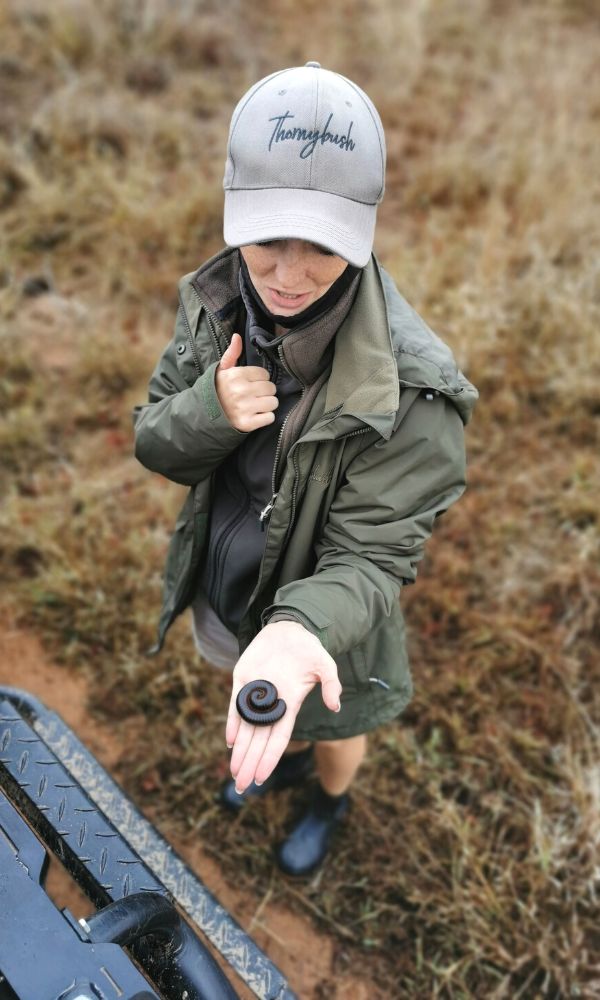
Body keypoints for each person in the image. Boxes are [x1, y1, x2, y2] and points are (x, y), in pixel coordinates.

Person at [133, 62, 478, 876]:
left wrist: (298, 633)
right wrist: (209, 412)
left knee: (330, 727)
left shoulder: (413, 391)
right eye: (267, 239)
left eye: (320, 244)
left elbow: (371, 558)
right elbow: (153, 438)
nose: (286, 274)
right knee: (257, 690)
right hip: (228, 584)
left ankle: (329, 798)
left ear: (361, 228)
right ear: (235, 214)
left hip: (330, 631)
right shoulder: (216, 299)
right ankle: (281, 758)